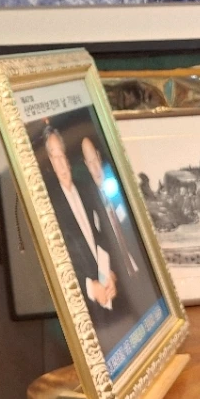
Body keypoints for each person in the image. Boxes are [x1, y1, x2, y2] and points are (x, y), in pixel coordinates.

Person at [39, 123, 119, 317]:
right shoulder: (49, 207)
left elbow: (104, 236)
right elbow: (54, 262)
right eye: (54, 157)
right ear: (49, 163)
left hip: (111, 294)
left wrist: (113, 274)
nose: (60, 163)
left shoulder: (87, 190)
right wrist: (90, 288)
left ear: (67, 157)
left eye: (61, 155)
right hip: (82, 308)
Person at [80, 135, 139, 274]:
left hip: (139, 260)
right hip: (120, 272)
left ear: (99, 157)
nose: (95, 168)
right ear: (86, 165)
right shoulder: (90, 202)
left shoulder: (121, 186)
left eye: (95, 160)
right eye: (90, 163)